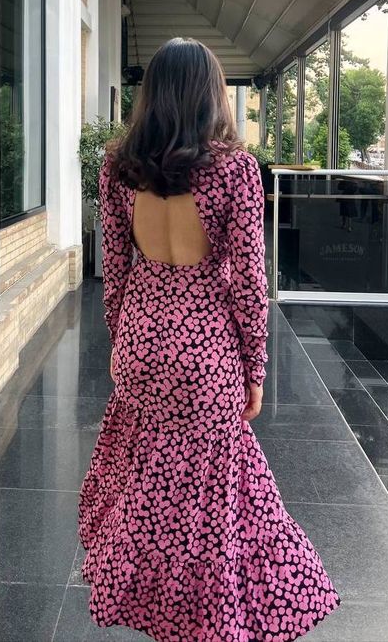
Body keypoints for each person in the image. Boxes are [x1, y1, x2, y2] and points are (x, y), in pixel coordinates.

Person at [78, 37, 341, 641]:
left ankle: (145, 593)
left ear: (152, 94)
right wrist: (255, 370)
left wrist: (123, 341)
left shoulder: (118, 167)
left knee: (147, 478)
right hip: (205, 348)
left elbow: (114, 271)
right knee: (214, 492)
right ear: (209, 93)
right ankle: (209, 611)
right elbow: (249, 281)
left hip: (142, 336)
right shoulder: (233, 169)